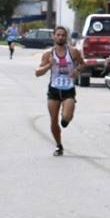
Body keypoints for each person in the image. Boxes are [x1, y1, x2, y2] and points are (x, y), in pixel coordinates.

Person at [36, 25, 83, 155]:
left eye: (63, 35)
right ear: (54, 36)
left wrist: (77, 70)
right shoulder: (48, 54)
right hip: (54, 89)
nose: (61, 37)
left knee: (66, 119)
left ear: (66, 37)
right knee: (54, 120)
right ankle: (58, 145)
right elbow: (38, 72)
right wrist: (49, 65)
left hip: (68, 89)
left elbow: (83, 63)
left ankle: (66, 118)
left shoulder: (73, 52)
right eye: (58, 35)